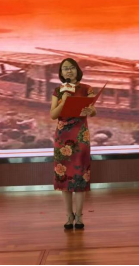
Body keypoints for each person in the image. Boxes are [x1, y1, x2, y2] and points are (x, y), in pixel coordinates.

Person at [50, 58, 96, 230]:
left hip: (80, 136)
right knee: (64, 176)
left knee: (80, 175)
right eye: (65, 69)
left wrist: (90, 110)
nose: (68, 71)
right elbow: (53, 115)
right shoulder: (58, 91)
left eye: (71, 68)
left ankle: (79, 215)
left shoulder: (87, 89)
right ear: (61, 73)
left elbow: (93, 111)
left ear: (77, 70)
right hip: (63, 137)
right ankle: (69, 215)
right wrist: (64, 100)